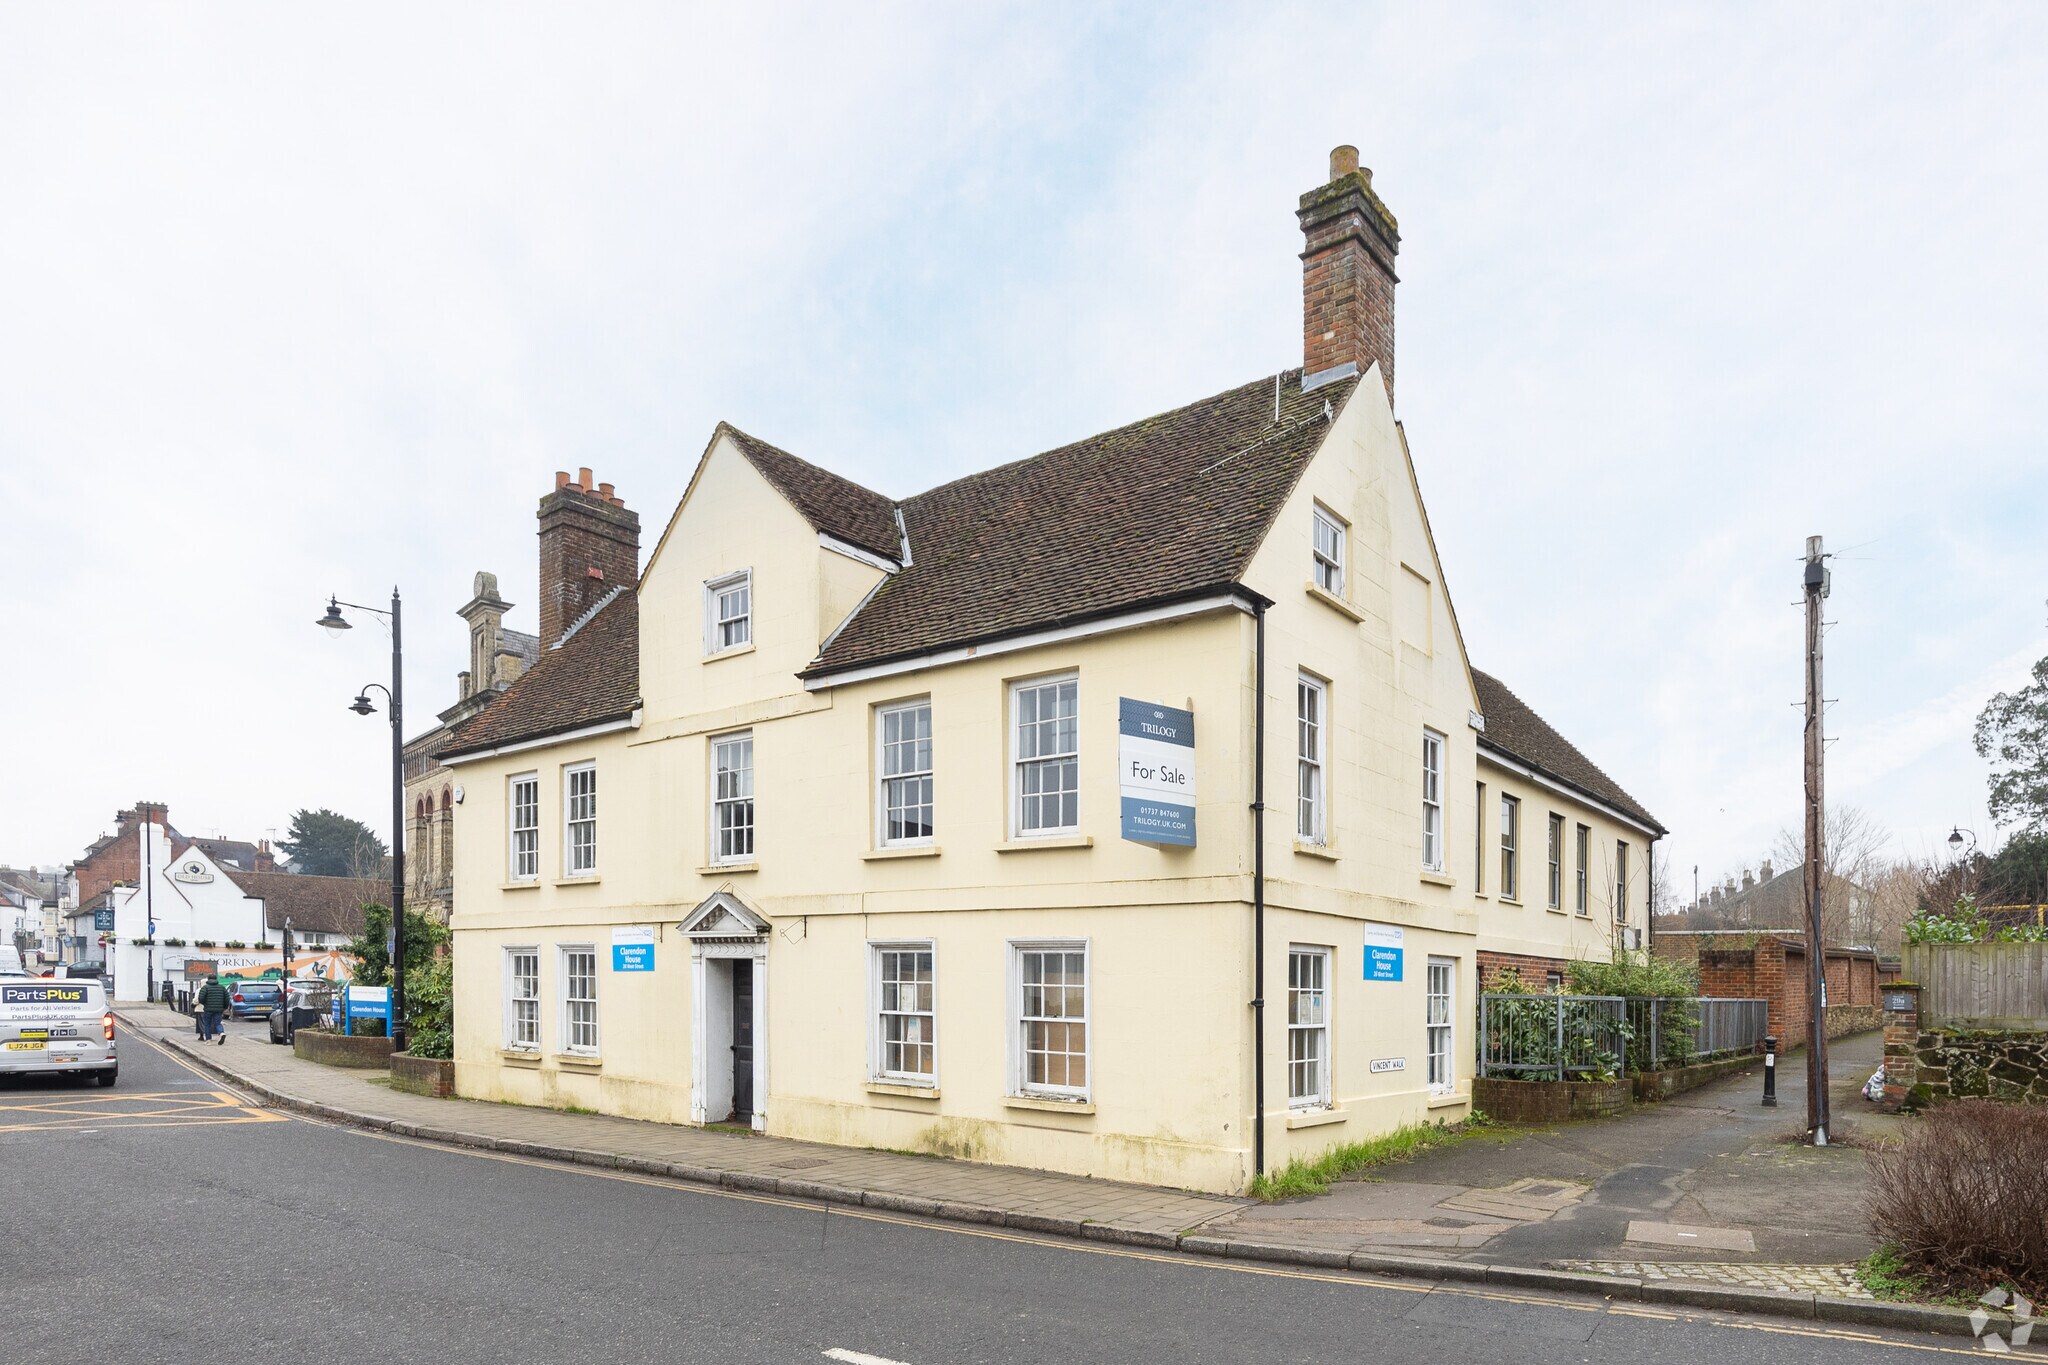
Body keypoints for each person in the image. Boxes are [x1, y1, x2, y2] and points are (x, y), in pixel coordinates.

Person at [195, 974, 231, 1045]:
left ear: (208, 979)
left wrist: (205, 1004)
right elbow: (227, 998)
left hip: (208, 1009)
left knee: (207, 1024)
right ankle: (221, 1033)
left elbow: (201, 998)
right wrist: (225, 1007)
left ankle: (208, 1040)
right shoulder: (222, 988)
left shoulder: (205, 988)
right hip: (219, 1009)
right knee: (218, 1023)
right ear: (216, 979)